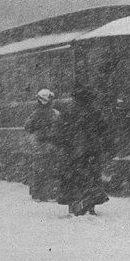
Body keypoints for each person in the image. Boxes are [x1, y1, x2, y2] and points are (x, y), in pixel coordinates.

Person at [57, 86, 110, 216]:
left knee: (72, 178)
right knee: (91, 177)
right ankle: (90, 204)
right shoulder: (94, 111)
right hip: (91, 150)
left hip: (72, 150)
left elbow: (60, 130)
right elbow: (103, 128)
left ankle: (74, 204)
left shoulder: (68, 111)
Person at [24, 89, 62, 201]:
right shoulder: (56, 113)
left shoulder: (35, 114)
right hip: (52, 144)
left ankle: (37, 193)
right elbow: (61, 128)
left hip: (39, 144)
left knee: (38, 169)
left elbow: (27, 127)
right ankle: (49, 193)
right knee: (51, 169)